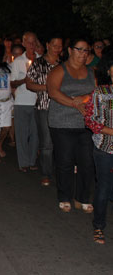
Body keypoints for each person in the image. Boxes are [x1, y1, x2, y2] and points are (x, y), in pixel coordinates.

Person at [47, 38, 96, 213]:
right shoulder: (59, 70)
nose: (84, 54)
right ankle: (65, 196)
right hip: (62, 122)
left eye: (86, 50)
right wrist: (76, 104)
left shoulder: (90, 72)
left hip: (85, 123)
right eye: (80, 49)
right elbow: (53, 92)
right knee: (65, 161)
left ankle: (82, 197)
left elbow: (95, 92)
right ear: (70, 50)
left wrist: (83, 99)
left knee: (87, 161)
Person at [84, 47, 113, 244]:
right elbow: (91, 121)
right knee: (103, 188)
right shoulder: (101, 93)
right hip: (104, 148)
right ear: (109, 70)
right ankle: (99, 226)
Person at [26, 36, 63, 186]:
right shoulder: (38, 63)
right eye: (54, 45)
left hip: (62, 107)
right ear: (47, 45)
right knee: (47, 143)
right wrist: (48, 88)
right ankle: (46, 173)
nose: (57, 48)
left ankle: (61, 171)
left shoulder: (64, 64)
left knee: (61, 143)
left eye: (60, 46)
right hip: (44, 107)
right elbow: (29, 84)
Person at [10, 32, 40, 172]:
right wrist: (25, 79)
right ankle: (23, 162)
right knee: (22, 134)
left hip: (37, 102)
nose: (31, 45)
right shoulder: (17, 62)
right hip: (22, 101)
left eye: (34, 42)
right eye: (28, 42)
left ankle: (32, 160)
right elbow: (13, 82)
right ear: (23, 44)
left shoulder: (40, 60)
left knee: (35, 133)